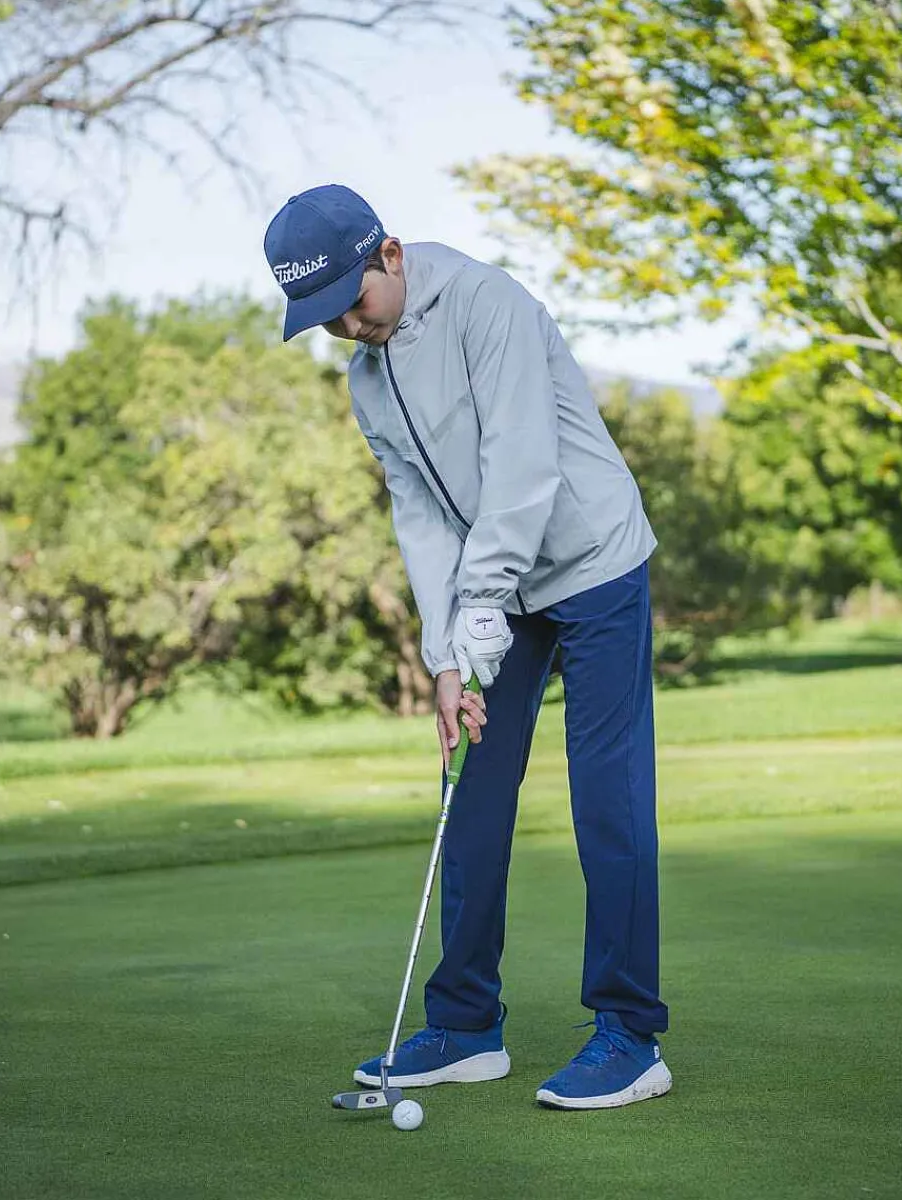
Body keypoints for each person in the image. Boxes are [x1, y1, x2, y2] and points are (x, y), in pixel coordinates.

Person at [264, 184, 671, 1110]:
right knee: (472, 792)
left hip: (595, 566)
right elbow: (419, 515)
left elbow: (523, 465)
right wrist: (447, 650)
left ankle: (629, 1035)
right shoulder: (368, 379)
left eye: (351, 302)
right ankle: (465, 1025)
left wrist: (481, 601)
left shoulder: (490, 304)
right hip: (499, 593)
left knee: (607, 800)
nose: (347, 327)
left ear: (390, 254)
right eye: (324, 319)